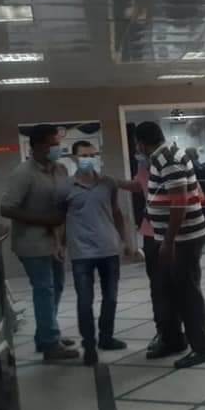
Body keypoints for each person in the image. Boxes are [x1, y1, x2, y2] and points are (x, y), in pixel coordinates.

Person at [135, 121, 205, 368]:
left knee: (188, 294)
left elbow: (179, 201)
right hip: (177, 238)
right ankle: (174, 341)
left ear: (141, 143)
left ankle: (202, 347)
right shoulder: (164, 156)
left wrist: (168, 241)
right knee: (173, 291)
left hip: (184, 239)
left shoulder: (167, 159)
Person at [0, 124, 78, 361]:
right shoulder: (23, 174)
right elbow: (6, 208)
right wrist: (45, 220)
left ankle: (46, 334)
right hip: (32, 243)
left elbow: (64, 200)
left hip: (56, 241)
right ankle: (50, 344)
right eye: (52, 144)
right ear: (37, 146)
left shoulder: (60, 169)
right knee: (44, 289)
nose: (57, 148)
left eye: (58, 143)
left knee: (57, 287)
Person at [56, 141, 132, 365]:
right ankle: (89, 344)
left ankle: (106, 337)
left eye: (93, 154)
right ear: (74, 158)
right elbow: (59, 220)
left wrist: (126, 241)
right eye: (84, 155)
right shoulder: (65, 187)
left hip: (109, 249)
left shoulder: (108, 183)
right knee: (84, 300)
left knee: (111, 297)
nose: (89, 159)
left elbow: (117, 213)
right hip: (82, 253)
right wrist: (59, 244)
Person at [117, 152, 162, 352]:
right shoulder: (144, 169)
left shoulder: (168, 166)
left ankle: (177, 330)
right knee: (157, 287)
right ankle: (163, 330)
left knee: (174, 285)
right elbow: (137, 185)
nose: (137, 151)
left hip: (168, 232)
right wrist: (113, 182)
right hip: (150, 232)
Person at [185, 148, 205, 241]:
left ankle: (203, 235)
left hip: (196, 192)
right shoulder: (196, 164)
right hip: (204, 191)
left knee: (201, 213)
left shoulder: (188, 165)